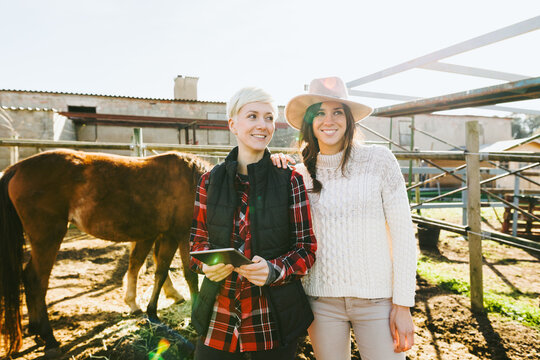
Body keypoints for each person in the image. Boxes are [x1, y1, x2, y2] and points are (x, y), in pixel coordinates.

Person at [272, 76, 417, 360]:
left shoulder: (379, 160)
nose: (329, 120)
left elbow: (403, 235)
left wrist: (403, 304)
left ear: (349, 119)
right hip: (321, 303)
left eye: (338, 111)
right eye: (320, 113)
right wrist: (274, 167)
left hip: (378, 301)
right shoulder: (297, 175)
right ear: (309, 122)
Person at [189, 87, 317, 360]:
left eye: (269, 118)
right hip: (218, 319)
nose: (263, 125)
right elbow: (196, 244)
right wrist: (206, 266)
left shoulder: (289, 180)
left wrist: (274, 270)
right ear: (233, 124)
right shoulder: (208, 182)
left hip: (272, 319)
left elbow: (306, 249)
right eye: (253, 116)